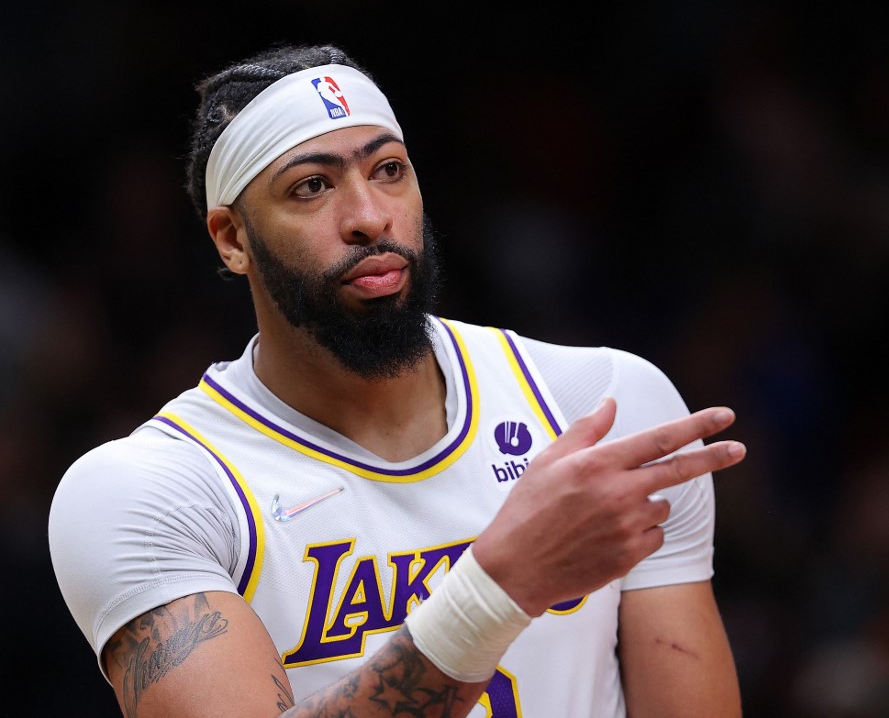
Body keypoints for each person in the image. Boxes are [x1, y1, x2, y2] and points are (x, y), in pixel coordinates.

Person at [48, 43, 747, 718]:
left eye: (388, 170)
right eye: (311, 187)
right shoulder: (151, 491)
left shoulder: (603, 406)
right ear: (232, 238)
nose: (370, 217)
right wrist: (496, 588)